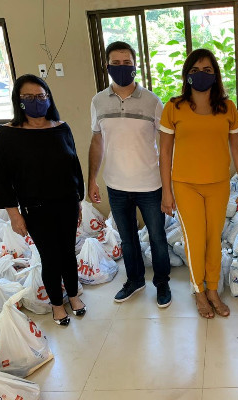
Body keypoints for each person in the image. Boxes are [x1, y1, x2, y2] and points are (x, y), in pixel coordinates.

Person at [159, 48, 238, 319]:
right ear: (187, 74)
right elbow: (164, 152)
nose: (201, 74)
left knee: (213, 241)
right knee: (195, 241)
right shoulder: (173, 107)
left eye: (207, 70)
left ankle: (212, 290)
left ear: (216, 75)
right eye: (195, 70)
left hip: (218, 184)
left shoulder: (227, 108)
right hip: (185, 186)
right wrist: (166, 192)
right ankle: (199, 291)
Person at [0, 74, 86, 326]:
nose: (36, 101)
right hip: (35, 208)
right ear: (18, 100)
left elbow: (74, 166)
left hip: (67, 204)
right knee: (50, 257)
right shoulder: (7, 135)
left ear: (48, 98)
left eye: (40, 96)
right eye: (28, 97)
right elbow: (1, 178)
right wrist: (14, 214)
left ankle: (73, 295)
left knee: (68, 253)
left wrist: (78, 201)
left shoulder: (61, 127)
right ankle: (57, 304)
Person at [89, 41, 172, 307]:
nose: (122, 67)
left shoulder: (152, 101)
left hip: (150, 185)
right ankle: (135, 280)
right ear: (107, 66)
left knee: (157, 238)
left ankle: (162, 283)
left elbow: (167, 145)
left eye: (127, 63)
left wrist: (169, 186)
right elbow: (97, 141)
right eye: (116, 63)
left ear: (136, 66)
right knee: (128, 239)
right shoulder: (98, 101)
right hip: (116, 185)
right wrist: (92, 179)